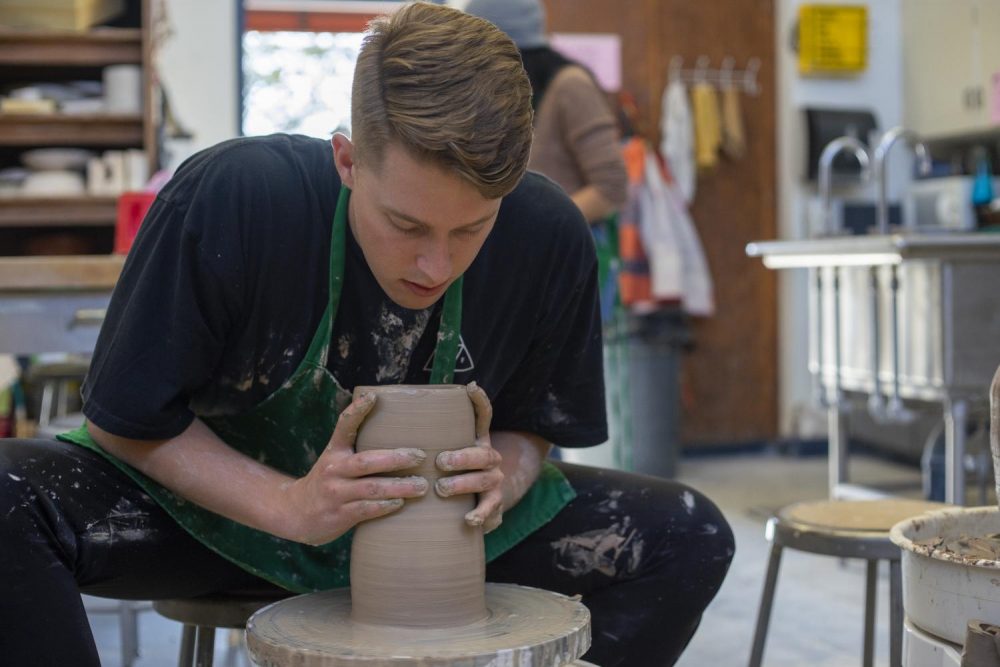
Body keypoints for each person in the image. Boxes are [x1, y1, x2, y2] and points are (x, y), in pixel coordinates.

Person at [0, 4, 733, 666]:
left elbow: (533, 426)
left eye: (471, 228)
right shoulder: (236, 199)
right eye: (406, 224)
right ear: (347, 160)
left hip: (442, 531)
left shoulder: (548, 238)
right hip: (224, 521)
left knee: (690, 534)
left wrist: (502, 476)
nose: (434, 263)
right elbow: (125, 418)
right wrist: (290, 505)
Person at [465, 0, 627, 225]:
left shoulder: (570, 86)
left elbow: (612, 187)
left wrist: (542, 230)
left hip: (559, 251)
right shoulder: (506, 95)